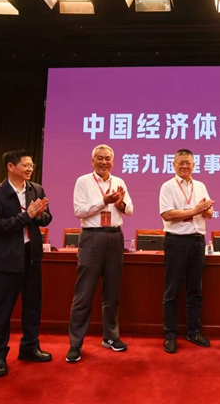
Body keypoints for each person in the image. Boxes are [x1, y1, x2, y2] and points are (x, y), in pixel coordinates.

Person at [0, 149, 52, 377]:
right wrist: (26, 216)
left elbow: (46, 218)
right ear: (11, 166)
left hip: (32, 255)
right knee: (2, 309)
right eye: (26, 165)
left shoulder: (36, 189)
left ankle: (30, 347)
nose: (30, 169)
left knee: (33, 305)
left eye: (32, 165)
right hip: (8, 258)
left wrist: (40, 215)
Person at [66, 145, 134, 363]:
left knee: (112, 292)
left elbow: (130, 210)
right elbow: (79, 211)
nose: (104, 162)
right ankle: (76, 344)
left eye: (108, 159)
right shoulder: (83, 181)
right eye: (100, 158)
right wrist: (104, 201)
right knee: (84, 293)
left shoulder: (119, 181)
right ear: (92, 160)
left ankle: (111, 337)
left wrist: (120, 204)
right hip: (92, 237)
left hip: (115, 237)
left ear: (113, 161)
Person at [159, 149, 214, 354]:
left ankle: (193, 331)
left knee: (195, 290)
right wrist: (194, 211)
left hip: (197, 241)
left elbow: (209, 214)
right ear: (174, 164)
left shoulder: (200, 186)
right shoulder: (168, 186)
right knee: (172, 290)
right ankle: (170, 335)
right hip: (176, 241)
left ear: (194, 165)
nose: (184, 166)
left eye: (188, 163)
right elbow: (167, 214)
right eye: (181, 162)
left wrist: (206, 209)